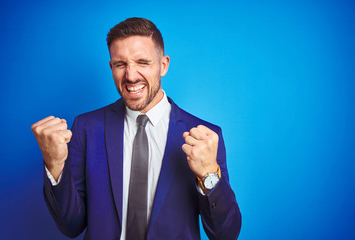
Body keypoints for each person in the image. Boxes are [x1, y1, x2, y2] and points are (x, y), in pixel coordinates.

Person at [31, 17, 241, 240]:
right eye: (121, 64)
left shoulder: (206, 137)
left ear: (163, 65)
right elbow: (71, 225)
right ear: (111, 67)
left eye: (142, 62)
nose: (131, 76)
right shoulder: (86, 128)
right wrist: (54, 164)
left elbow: (225, 234)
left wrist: (209, 174)